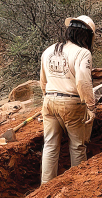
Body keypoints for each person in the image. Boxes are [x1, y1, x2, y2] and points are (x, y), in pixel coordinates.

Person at [40, 15, 97, 185]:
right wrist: (90, 106)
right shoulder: (83, 53)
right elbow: (83, 81)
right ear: (87, 35)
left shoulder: (49, 50)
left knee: (50, 145)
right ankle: (77, 186)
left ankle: (45, 187)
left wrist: (46, 97)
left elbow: (43, 80)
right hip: (72, 103)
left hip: (49, 101)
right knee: (77, 146)